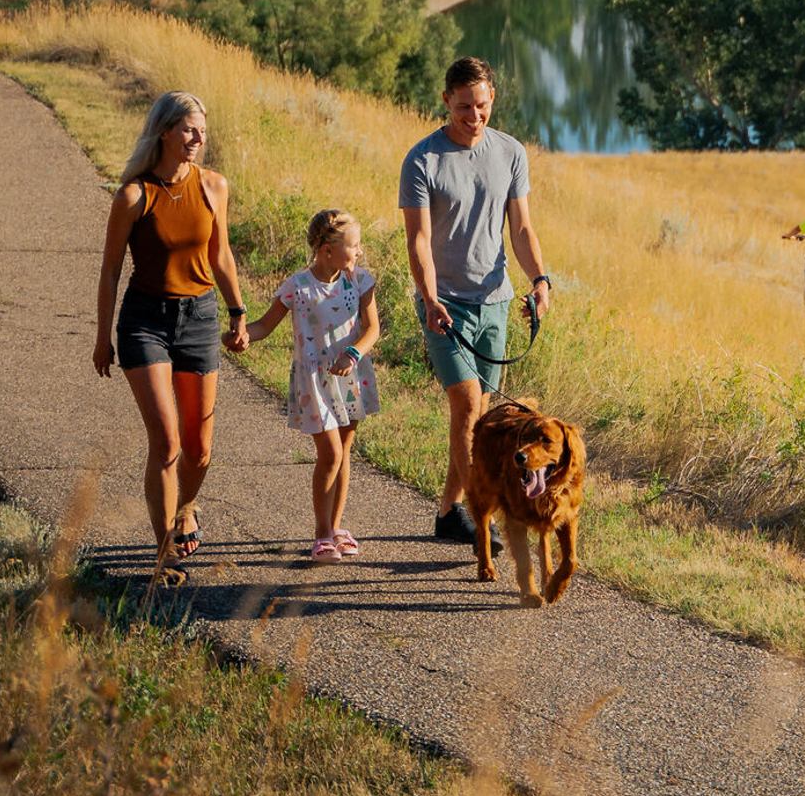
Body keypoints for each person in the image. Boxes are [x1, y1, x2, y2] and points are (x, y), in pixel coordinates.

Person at [93, 89, 249, 583]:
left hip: (200, 318)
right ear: (164, 131)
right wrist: (102, 337)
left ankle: (188, 507)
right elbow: (111, 268)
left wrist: (237, 312)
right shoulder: (135, 195)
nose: (197, 138)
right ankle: (162, 553)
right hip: (145, 321)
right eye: (188, 129)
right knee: (166, 442)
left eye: (202, 130)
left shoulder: (214, 186)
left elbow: (221, 256)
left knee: (199, 448)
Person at [400, 56, 553, 548]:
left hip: (495, 302)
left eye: (481, 106)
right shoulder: (423, 160)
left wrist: (540, 279)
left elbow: (522, 228)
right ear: (446, 100)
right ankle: (485, 516)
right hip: (445, 305)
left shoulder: (510, 152)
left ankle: (448, 512)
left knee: (479, 420)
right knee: (467, 409)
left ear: (493, 101)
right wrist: (429, 298)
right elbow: (419, 242)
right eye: (463, 106)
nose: (473, 116)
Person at [245, 207, 381, 562]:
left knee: (345, 452)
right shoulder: (299, 287)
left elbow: (372, 329)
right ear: (326, 250)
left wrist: (352, 353)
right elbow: (264, 325)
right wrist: (243, 336)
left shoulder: (360, 281)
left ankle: (336, 527)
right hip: (315, 381)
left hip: (350, 374)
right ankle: (321, 533)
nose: (359, 252)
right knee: (330, 453)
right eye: (353, 246)